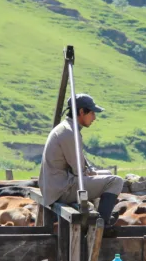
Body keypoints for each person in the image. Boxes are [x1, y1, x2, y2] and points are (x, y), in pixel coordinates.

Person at [39, 93, 123, 226]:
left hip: (56, 184)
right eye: (92, 113)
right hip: (61, 189)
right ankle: (102, 223)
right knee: (116, 181)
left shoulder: (67, 128)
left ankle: (101, 215)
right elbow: (78, 170)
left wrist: (92, 173)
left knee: (107, 175)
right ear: (81, 112)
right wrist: (90, 174)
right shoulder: (69, 133)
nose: (94, 117)